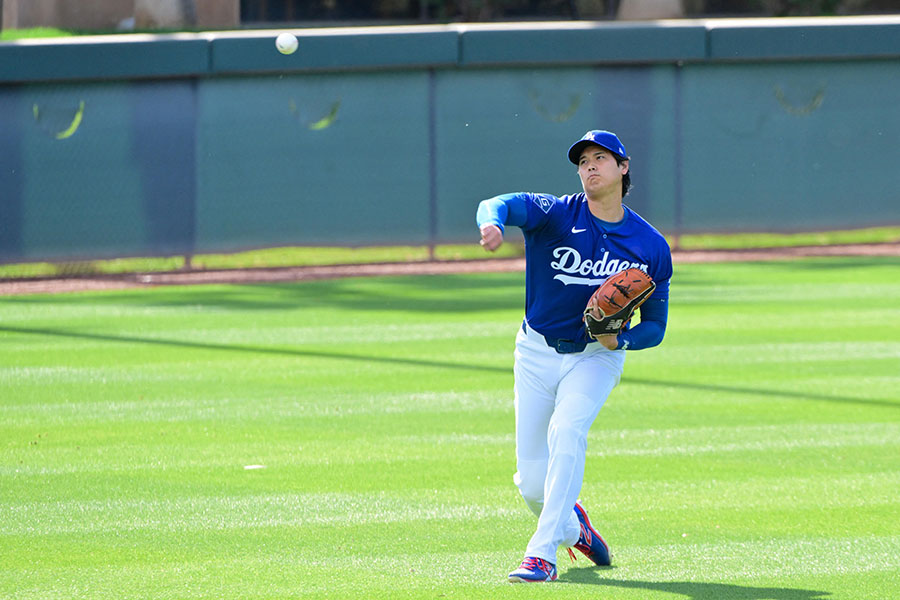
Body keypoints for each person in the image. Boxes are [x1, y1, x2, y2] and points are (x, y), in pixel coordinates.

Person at [476, 130, 673, 583]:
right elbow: (498, 203)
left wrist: (619, 342)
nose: (589, 166)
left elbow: (656, 328)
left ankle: (540, 555)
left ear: (623, 168)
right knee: (530, 484)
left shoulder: (650, 246)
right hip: (535, 352)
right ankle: (574, 527)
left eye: (600, 158)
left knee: (567, 431)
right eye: (583, 160)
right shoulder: (555, 214)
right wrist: (492, 223)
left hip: (593, 359)